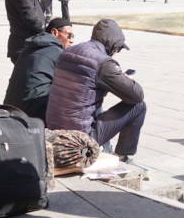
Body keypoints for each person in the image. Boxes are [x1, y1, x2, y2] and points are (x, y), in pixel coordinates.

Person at [45, 19, 145, 161]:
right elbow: (137, 95)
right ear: (112, 46)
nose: (117, 52)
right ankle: (122, 156)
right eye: (118, 49)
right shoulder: (104, 63)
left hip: (54, 128)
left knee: (92, 101)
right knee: (139, 107)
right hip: (80, 139)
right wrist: (123, 78)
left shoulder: (69, 51)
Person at [3, 17, 74, 120]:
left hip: (10, 108)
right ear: (54, 32)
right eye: (69, 35)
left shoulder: (28, 47)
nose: (71, 40)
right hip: (33, 114)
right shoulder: (57, 53)